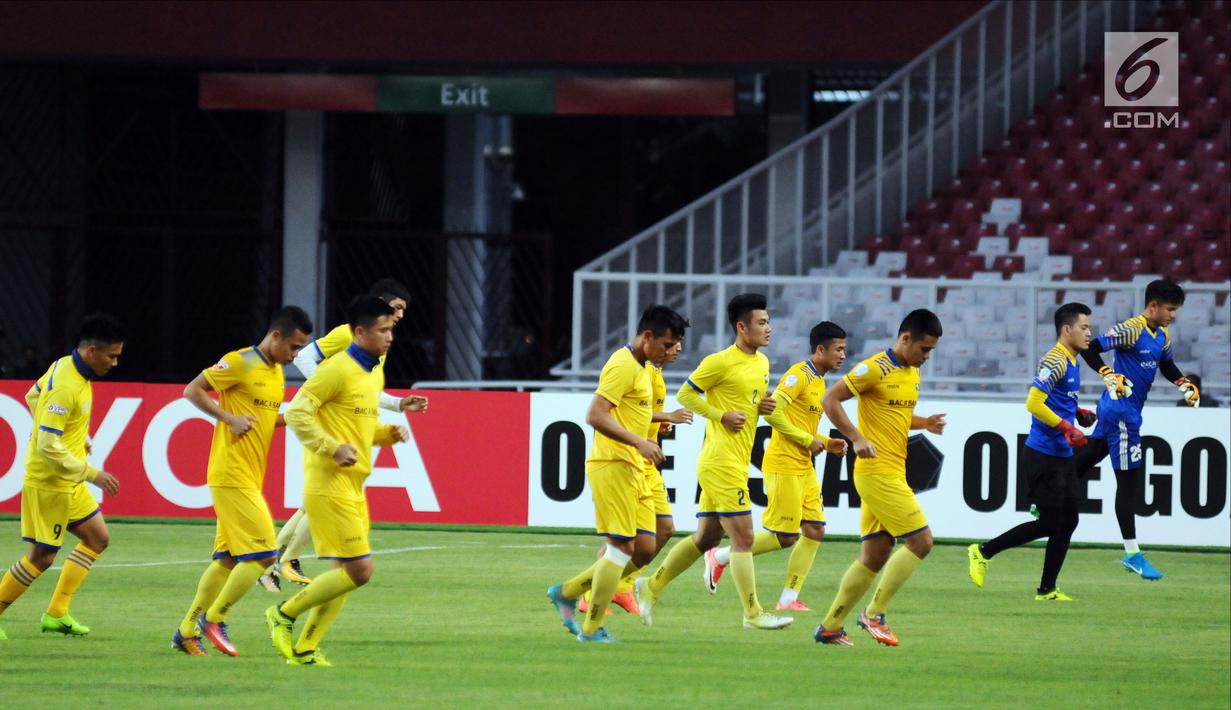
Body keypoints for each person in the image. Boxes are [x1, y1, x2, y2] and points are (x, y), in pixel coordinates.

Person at [266, 296, 411, 666]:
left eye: (391, 329)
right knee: (360, 571)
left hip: (353, 483)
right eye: (382, 330)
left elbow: (355, 427)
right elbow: (297, 412)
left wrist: (384, 434)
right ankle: (283, 614)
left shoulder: (372, 372)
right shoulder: (336, 369)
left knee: (343, 574)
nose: (389, 336)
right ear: (359, 332)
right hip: (327, 482)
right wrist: (330, 448)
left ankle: (305, 648)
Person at [633, 293, 791, 631]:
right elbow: (687, 394)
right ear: (741, 327)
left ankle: (650, 586)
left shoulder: (762, 363)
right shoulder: (719, 361)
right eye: (762, 323)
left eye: (768, 322)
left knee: (705, 538)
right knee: (744, 539)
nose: (768, 328)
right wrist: (720, 415)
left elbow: (749, 399)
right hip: (722, 463)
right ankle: (753, 613)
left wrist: (761, 406)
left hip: (729, 460)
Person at [261, 277, 427, 591]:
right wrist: (331, 390)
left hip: (349, 421)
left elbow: (365, 387)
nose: (401, 315)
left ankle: (273, 561)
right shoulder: (348, 333)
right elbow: (306, 357)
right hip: (331, 420)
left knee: (317, 500)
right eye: (398, 308)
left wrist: (398, 404)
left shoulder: (380, 341)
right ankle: (283, 560)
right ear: (381, 302)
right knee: (327, 495)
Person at [171, 306, 313, 656]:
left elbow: (264, 420)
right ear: (276, 335)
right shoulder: (238, 361)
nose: (295, 356)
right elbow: (193, 390)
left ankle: (186, 630)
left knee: (228, 559)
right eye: (293, 347)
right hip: (230, 473)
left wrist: (294, 417)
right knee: (265, 553)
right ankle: (216, 617)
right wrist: (228, 417)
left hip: (249, 476)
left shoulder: (276, 373)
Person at [546, 305, 689, 642]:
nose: (671, 352)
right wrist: (640, 442)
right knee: (621, 546)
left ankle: (567, 592)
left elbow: (631, 411)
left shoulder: (642, 368)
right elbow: (595, 415)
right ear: (648, 336)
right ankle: (591, 628)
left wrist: (655, 422)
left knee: (645, 545)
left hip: (635, 467)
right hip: (612, 463)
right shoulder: (622, 364)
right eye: (667, 345)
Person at [813, 309, 946, 647]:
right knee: (921, 541)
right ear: (905, 339)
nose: (926, 358)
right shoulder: (873, 368)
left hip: (891, 470)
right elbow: (831, 400)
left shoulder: (910, 372)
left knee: (875, 555)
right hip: (877, 472)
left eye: (931, 351)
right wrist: (856, 438)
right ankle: (874, 614)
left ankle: (830, 626)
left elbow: (894, 413)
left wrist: (924, 423)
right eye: (924, 350)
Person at [705, 321, 849, 612]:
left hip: (803, 465)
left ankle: (788, 599)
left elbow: (799, 424)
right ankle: (719, 557)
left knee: (815, 529)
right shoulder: (800, 375)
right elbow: (774, 414)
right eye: (839, 349)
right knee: (784, 537)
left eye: (845, 350)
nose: (843, 355)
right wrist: (808, 439)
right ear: (820, 350)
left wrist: (825, 440)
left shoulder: (820, 380)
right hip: (783, 464)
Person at [0, 314, 125, 640]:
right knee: (41, 557)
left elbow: (32, 395)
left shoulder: (65, 368)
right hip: (49, 482)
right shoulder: (67, 385)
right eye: (111, 356)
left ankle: (56, 613)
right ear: (92, 351)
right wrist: (90, 472)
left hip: (67, 479)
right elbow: (45, 445)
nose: (115, 362)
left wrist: (72, 434)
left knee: (98, 538)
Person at [968, 303, 1096, 602]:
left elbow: (1055, 400)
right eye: (1084, 327)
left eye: (1090, 328)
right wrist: (1067, 426)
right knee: (1051, 522)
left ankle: (1047, 588)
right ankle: (983, 551)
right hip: (1043, 454)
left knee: (1070, 520)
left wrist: (1078, 413)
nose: (1090, 333)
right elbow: (1034, 403)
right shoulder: (1055, 360)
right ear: (1067, 330)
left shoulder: (1073, 360)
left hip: (1061, 454)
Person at [1075, 278, 1195, 580]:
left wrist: (1183, 384)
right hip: (1123, 414)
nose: (1173, 315)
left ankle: (1042, 491)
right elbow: (1090, 347)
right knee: (1128, 483)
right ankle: (1132, 554)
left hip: (1116, 410)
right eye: (1169, 309)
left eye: (1175, 310)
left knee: (1091, 454)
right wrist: (1107, 372)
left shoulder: (1161, 335)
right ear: (1152, 305)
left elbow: (1165, 365)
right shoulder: (1131, 329)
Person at [577, 335, 693, 618]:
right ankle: (589, 593)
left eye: (679, 342)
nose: (678, 348)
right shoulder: (636, 367)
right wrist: (665, 416)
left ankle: (620, 585)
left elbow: (640, 412)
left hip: (646, 461)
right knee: (622, 539)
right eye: (673, 343)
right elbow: (617, 411)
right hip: (628, 460)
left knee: (663, 530)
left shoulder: (653, 370)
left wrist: (660, 423)